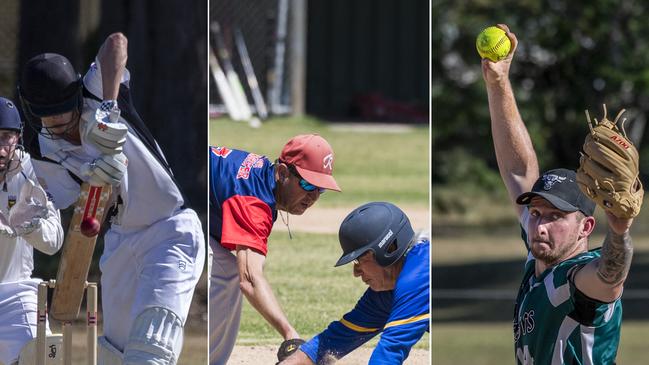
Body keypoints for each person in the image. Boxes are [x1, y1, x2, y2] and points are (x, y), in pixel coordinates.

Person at [17, 33, 205, 364]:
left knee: (151, 348)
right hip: (119, 243)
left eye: (63, 110)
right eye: (49, 115)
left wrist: (109, 106)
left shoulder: (95, 91)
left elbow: (116, 43)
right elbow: (63, 204)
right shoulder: (45, 151)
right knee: (113, 355)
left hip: (170, 230)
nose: (59, 122)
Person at [482, 24, 635, 364]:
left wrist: (620, 232)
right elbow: (518, 171)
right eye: (536, 212)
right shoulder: (540, 255)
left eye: (556, 216)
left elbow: (611, 279)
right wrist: (498, 83)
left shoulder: (577, 280)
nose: (540, 225)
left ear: (586, 228)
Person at [208, 134, 341, 364]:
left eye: (321, 189)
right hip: (160, 202)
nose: (313, 197)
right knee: (226, 272)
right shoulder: (253, 201)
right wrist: (290, 333)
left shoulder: (262, 180)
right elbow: (249, 279)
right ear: (282, 173)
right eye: (308, 184)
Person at [278, 202, 430, 365]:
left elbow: (389, 353)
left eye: (360, 259)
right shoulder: (387, 291)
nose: (356, 272)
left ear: (389, 248)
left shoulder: (419, 275)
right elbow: (334, 341)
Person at [0, 97, 64, 365]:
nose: (1, 149)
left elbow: (54, 241)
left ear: (18, 137)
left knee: (42, 356)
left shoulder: (34, 171)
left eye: (6, 137)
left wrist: (29, 225)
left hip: (15, 293)